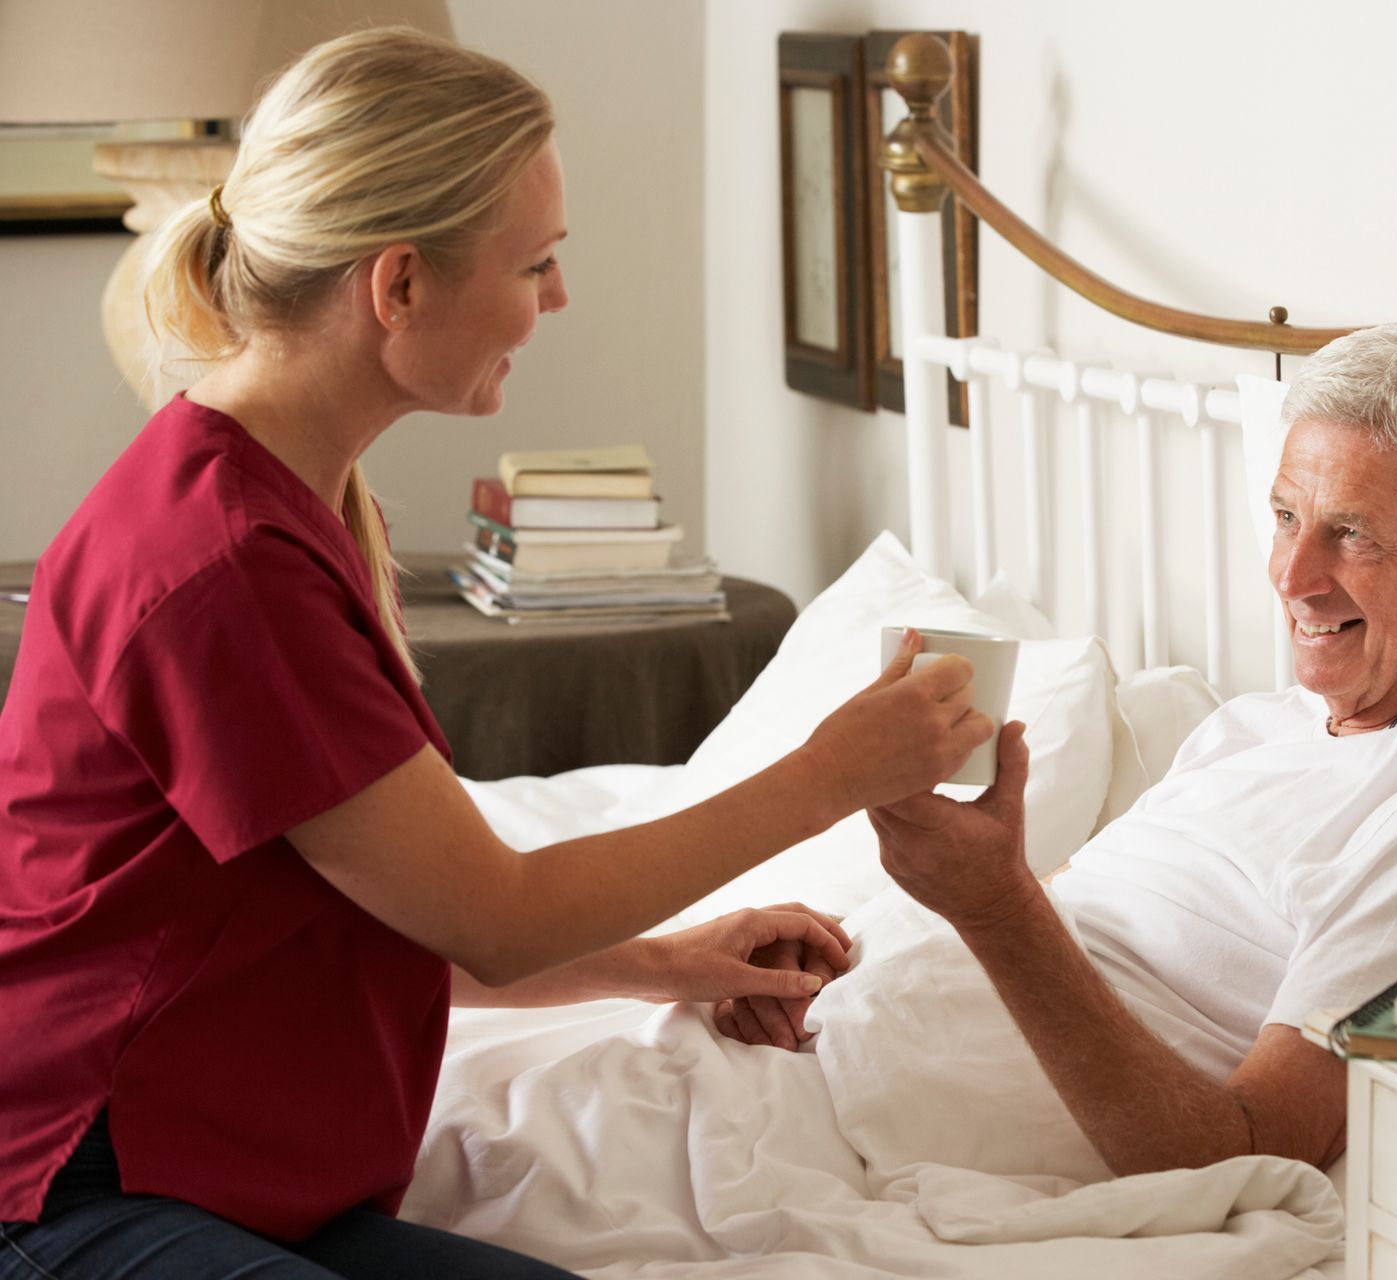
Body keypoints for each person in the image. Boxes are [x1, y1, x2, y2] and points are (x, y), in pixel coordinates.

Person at [0, 28, 990, 1280]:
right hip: (80, 1184)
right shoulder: (226, 560)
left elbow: (394, 903)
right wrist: (829, 773)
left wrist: (667, 960)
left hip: (217, 1174)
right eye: (536, 263)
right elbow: (495, 915)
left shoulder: (283, 495)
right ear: (397, 284)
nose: (557, 299)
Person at [719, 323, 1397, 1177]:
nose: (1292, 578)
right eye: (1287, 517)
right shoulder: (1251, 727)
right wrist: (833, 957)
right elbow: (1074, 923)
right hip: (811, 1043)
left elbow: (1248, 1155)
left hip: (862, 1131)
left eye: (1353, 534)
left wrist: (995, 905)